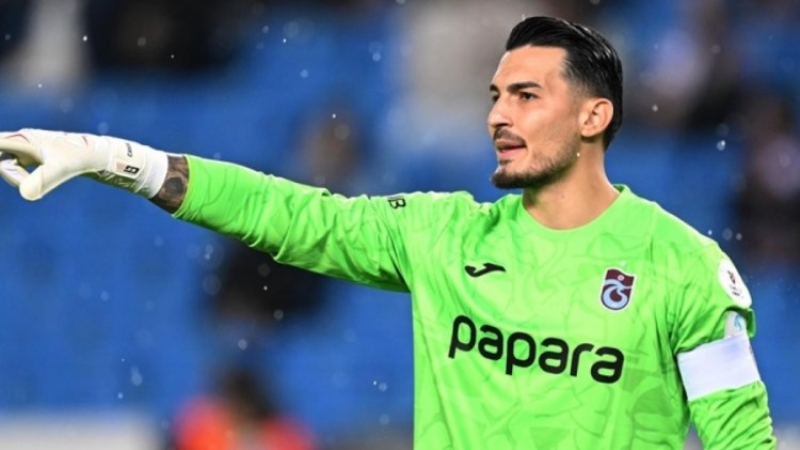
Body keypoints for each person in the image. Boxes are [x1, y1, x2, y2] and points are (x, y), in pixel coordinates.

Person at [0, 16, 776, 450]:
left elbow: (740, 439)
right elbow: (285, 214)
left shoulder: (684, 269)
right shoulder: (443, 235)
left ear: (594, 116)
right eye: (495, 96)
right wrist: (114, 158)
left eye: (527, 96)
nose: (499, 116)